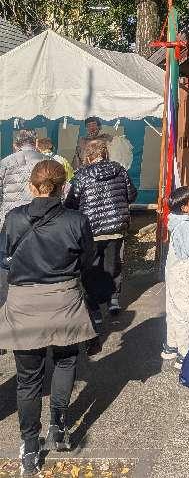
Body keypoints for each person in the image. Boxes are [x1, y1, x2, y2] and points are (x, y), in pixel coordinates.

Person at [0, 160, 96, 475]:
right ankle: (58, 425)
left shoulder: (13, 219)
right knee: (66, 362)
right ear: (63, 185)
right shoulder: (76, 220)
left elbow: (3, 260)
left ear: (31, 185)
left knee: (28, 379)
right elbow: (87, 259)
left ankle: (29, 445)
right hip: (64, 298)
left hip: (24, 301)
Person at [66, 139, 138, 322]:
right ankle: (113, 300)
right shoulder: (120, 170)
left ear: (88, 156)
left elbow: (71, 203)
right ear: (105, 153)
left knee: (91, 267)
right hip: (116, 226)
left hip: (90, 230)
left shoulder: (81, 175)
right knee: (113, 262)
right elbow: (131, 195)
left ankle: (95, 307)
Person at [162, 185, 189, 370]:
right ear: (184, 207)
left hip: (173, 269)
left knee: (173, 308)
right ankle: (185, 353)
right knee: (187, 311)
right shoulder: (185, 223)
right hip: (184, 272)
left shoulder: (175, 220)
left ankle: (172, 344)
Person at [0, 130, 43, 307]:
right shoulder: (46, 161)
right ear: (36, 143)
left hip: (10, 219)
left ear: (15, 144)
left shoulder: (5, 162)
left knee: (8, 259)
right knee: (38, 257)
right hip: (39, 217)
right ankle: (34, 297)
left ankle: (9, 300)